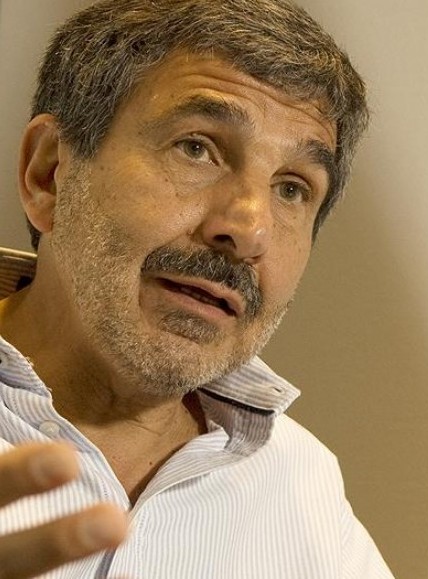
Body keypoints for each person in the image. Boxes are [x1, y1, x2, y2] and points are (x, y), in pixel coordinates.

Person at [0, 0, 393, 577]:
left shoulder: (301, 485)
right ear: (50, 173)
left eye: (292, 188)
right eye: (196, 148)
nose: (249, 228)